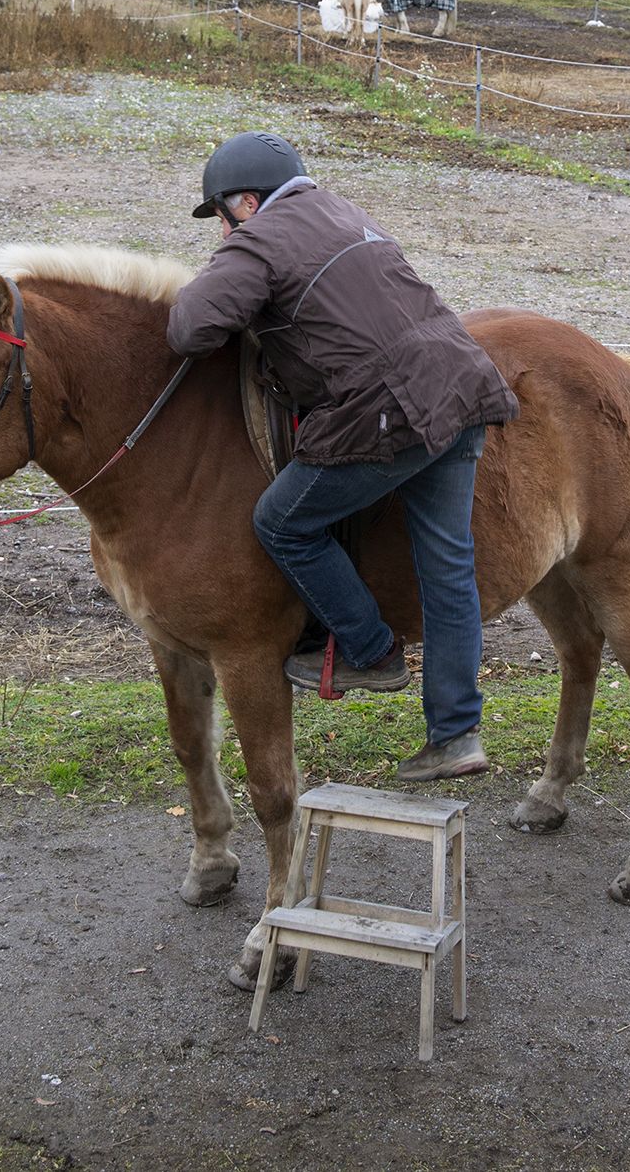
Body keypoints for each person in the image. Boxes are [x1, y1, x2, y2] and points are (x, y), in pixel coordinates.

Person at [165, 131, 517, 781]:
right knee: (447, 568)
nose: (222, 229)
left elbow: (190, 328)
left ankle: (369, 649)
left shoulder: (261, 237)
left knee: (281, 521)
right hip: (462, 388)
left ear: (246, 202)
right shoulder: (343, 211)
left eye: (220, 215)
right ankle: (456, 736)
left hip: (394, 410)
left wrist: (222, 265)